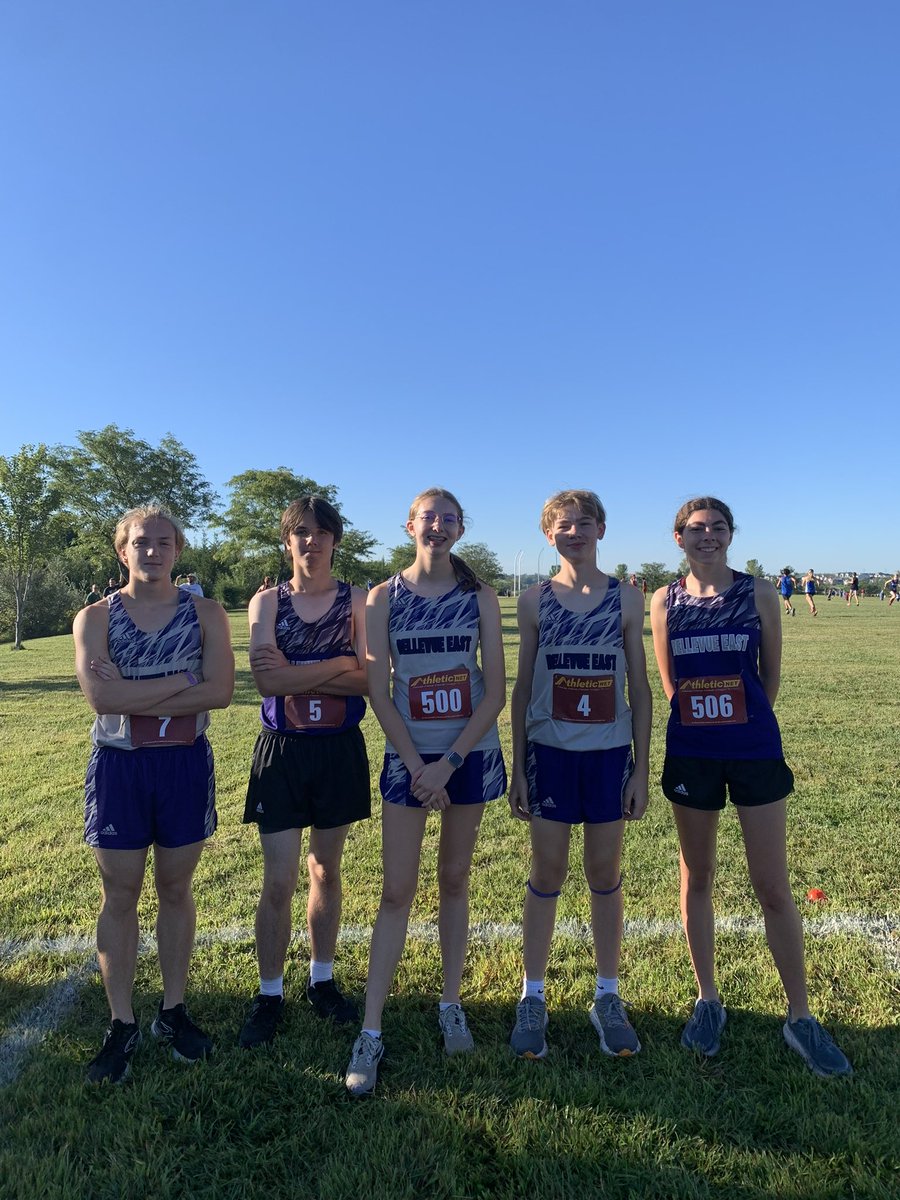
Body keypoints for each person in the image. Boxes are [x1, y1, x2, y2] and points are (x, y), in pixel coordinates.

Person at [649, 497, 851, 1076]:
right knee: (698, 873)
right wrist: (704, 722)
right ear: (678, 537)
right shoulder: (665, 600)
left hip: (756, 749)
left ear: (730, 535)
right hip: (693, 752)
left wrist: (742, 722)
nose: (706, 536)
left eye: (717, 528)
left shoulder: (759, 592)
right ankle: (708, 1000)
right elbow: (668, 681)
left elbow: (770, 677)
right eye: (695, 529)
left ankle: (800, 1016)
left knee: (772, 883)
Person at [344, 487, 506, 1097]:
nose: (436, 526)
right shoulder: (383, 598)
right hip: (408, 762)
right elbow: (379, 689)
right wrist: (418, 764)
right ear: (410, 525)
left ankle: (450, 1003)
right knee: (396, 890)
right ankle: (371, 1029)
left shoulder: (480, 597)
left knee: (456, 880)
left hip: (467, 757)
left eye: (448, 519)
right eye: (427, 517)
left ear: (459, 530)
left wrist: (451, 761)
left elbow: (493, 689)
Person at [73, 505, 234, 1083]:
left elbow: (220, 691)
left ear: (177, 550)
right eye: (141, 542)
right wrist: (180, 681)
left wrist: (134, 689)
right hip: (120, 767)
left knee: (174, 885)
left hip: (183, 766)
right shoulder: (93, 618)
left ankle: (173, 1010)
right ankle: (121, 1022)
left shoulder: (207, 612)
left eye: (163, 543)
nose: (152, 551)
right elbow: (102, 701)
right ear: (124, 550)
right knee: (119, 891)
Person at [507, 490, 651, 1061]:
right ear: (549, 535)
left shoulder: (628, 599)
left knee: (603, 871)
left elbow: (638, 687)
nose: (574, 532)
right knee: (547, 871)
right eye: (563, 525)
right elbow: (521, 688)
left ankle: (607, 996)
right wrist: (519, 764)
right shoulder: (534, 599)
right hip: (551, 752)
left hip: (610, 753)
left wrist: (641, 765)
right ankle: (533, 995)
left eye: (584, 523)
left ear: (601, 529)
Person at [239, 496, 370, 1048]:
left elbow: (369, 681)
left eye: (320, 533)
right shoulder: (267, 602)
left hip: (338, 748)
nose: (310, 542)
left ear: (336, 540)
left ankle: (322, 980)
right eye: (300, 533)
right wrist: (339, 664)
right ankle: (270, 992)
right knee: (279, 878)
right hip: (283, 750)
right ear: (286, 541)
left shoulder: (358, 600)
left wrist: (302, 671)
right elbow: (268, 684)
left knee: (325, 872)